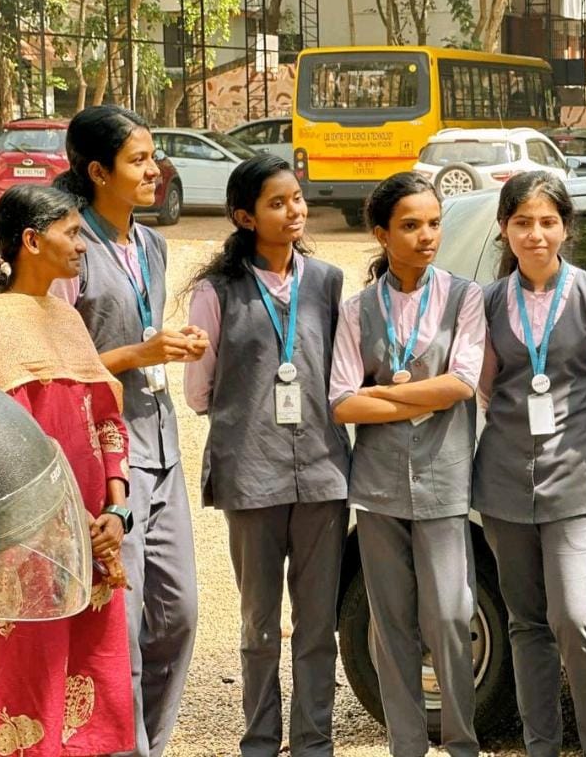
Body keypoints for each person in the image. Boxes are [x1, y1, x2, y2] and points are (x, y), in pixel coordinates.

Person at [0, 184, 134, 756]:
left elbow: (106, 420)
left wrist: (117, 508)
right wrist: (66, 524)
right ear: (32, 241)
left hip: (93, 534)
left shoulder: (69, 319)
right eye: (72, 233)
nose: (82, 245)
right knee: (24, 678)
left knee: (86, 672)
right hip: (25, 543)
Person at [182, 155, 350, 757]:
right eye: (277, 203)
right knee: (258, 622)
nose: (294, 211)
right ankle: (259, 741)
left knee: (317, 622)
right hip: (250, 474)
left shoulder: (328, 282)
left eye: (297, 198)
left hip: (323, 473)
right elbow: (197, 391)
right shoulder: (215, 292)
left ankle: (313, 742)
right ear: (245, 217)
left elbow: (343, 373)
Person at [52, 104, 206, 757]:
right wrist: (140, 353)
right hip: (104, 459)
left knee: (179, 617)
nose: (154, 170)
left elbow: (143, 337)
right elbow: (58, 364)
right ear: (97, 172)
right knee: (122, 627)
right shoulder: (70, 251)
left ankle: (149, 745)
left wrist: (168, 347)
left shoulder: (153, 245)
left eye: (153, 157)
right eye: (138, 160)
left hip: (162, 445)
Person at [473, 171, 586, 757]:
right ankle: (541, 745)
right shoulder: (487, 302)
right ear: (504, 229)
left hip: (579, 482)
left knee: (579, 618)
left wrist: (581, 457)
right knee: (525, 623)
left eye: (547, 222)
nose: (535, 234)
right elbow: (487, 391)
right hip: (504, 481)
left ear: (566, 227)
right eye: (522, 223)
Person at [329, 171, 485, 757]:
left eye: (434, 224)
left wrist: (384, 393)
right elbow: (342, 403)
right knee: (391, 623)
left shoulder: (466, 297)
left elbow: (462, 383)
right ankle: (406, 745)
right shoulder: (357, 309)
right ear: (381, 234)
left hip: (444, 479)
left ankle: (462, 742)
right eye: (411, 225)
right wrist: (422, 396)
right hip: (378, 485)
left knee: (449, 615)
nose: (427, 236)